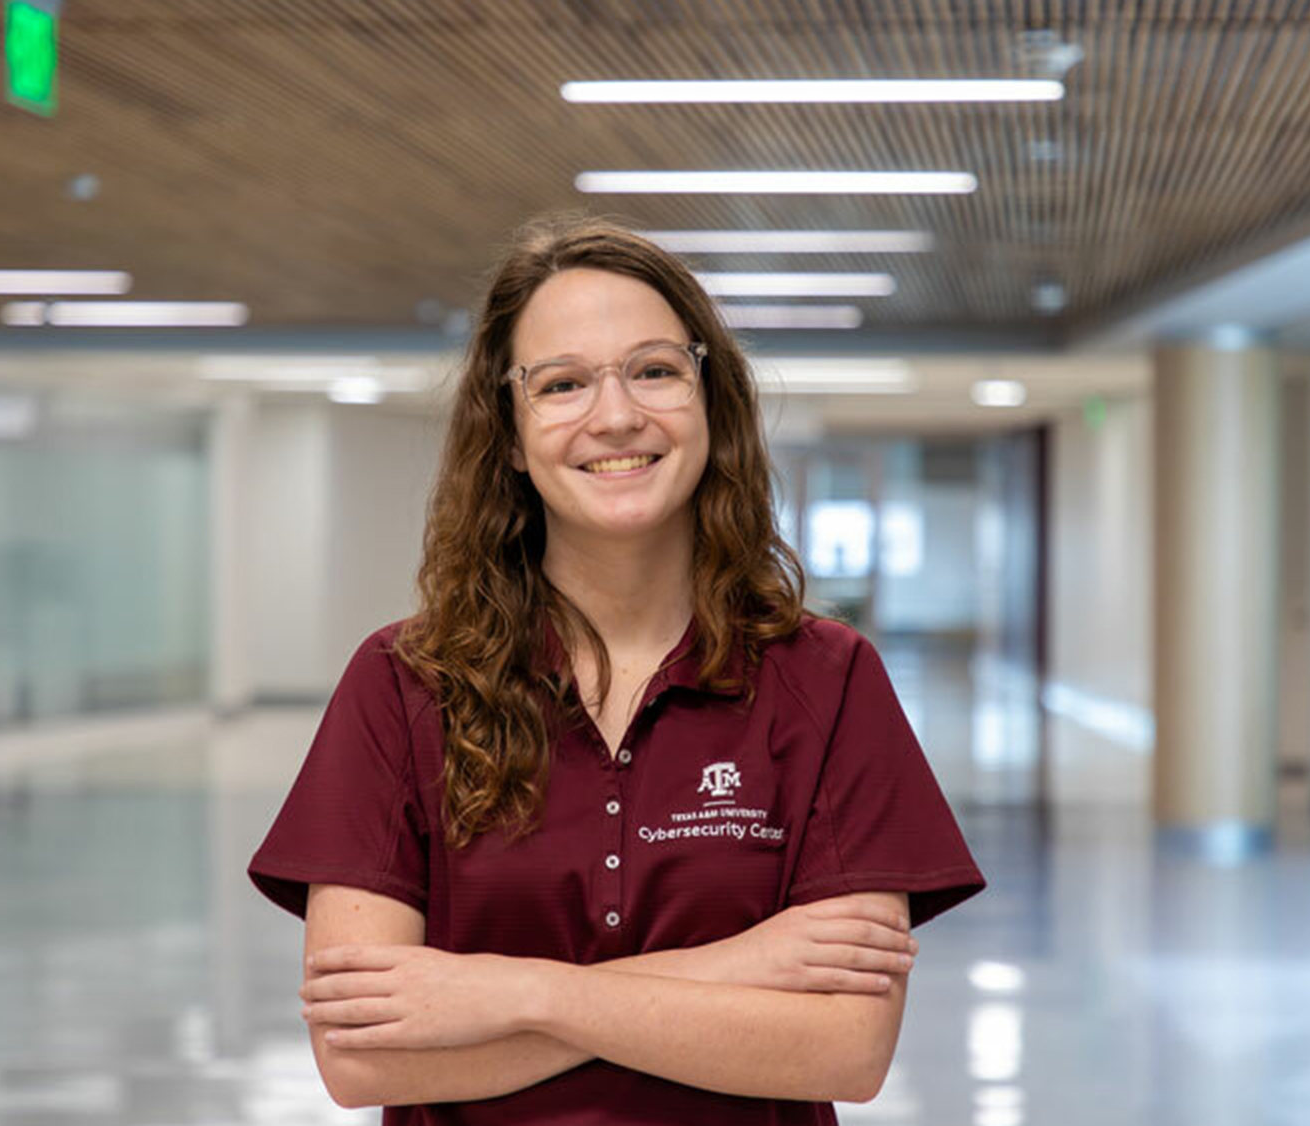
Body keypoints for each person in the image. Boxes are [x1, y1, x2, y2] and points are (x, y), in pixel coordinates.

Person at [247, 216, 985, 1124]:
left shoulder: (829, 682)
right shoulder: (404, 683)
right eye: (561, 384)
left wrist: (508, 996)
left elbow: (844, 1047)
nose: (617, 415)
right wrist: (736, 969)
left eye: (656, 370)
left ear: (711, 402)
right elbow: (365, 1062)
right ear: (510, 437)